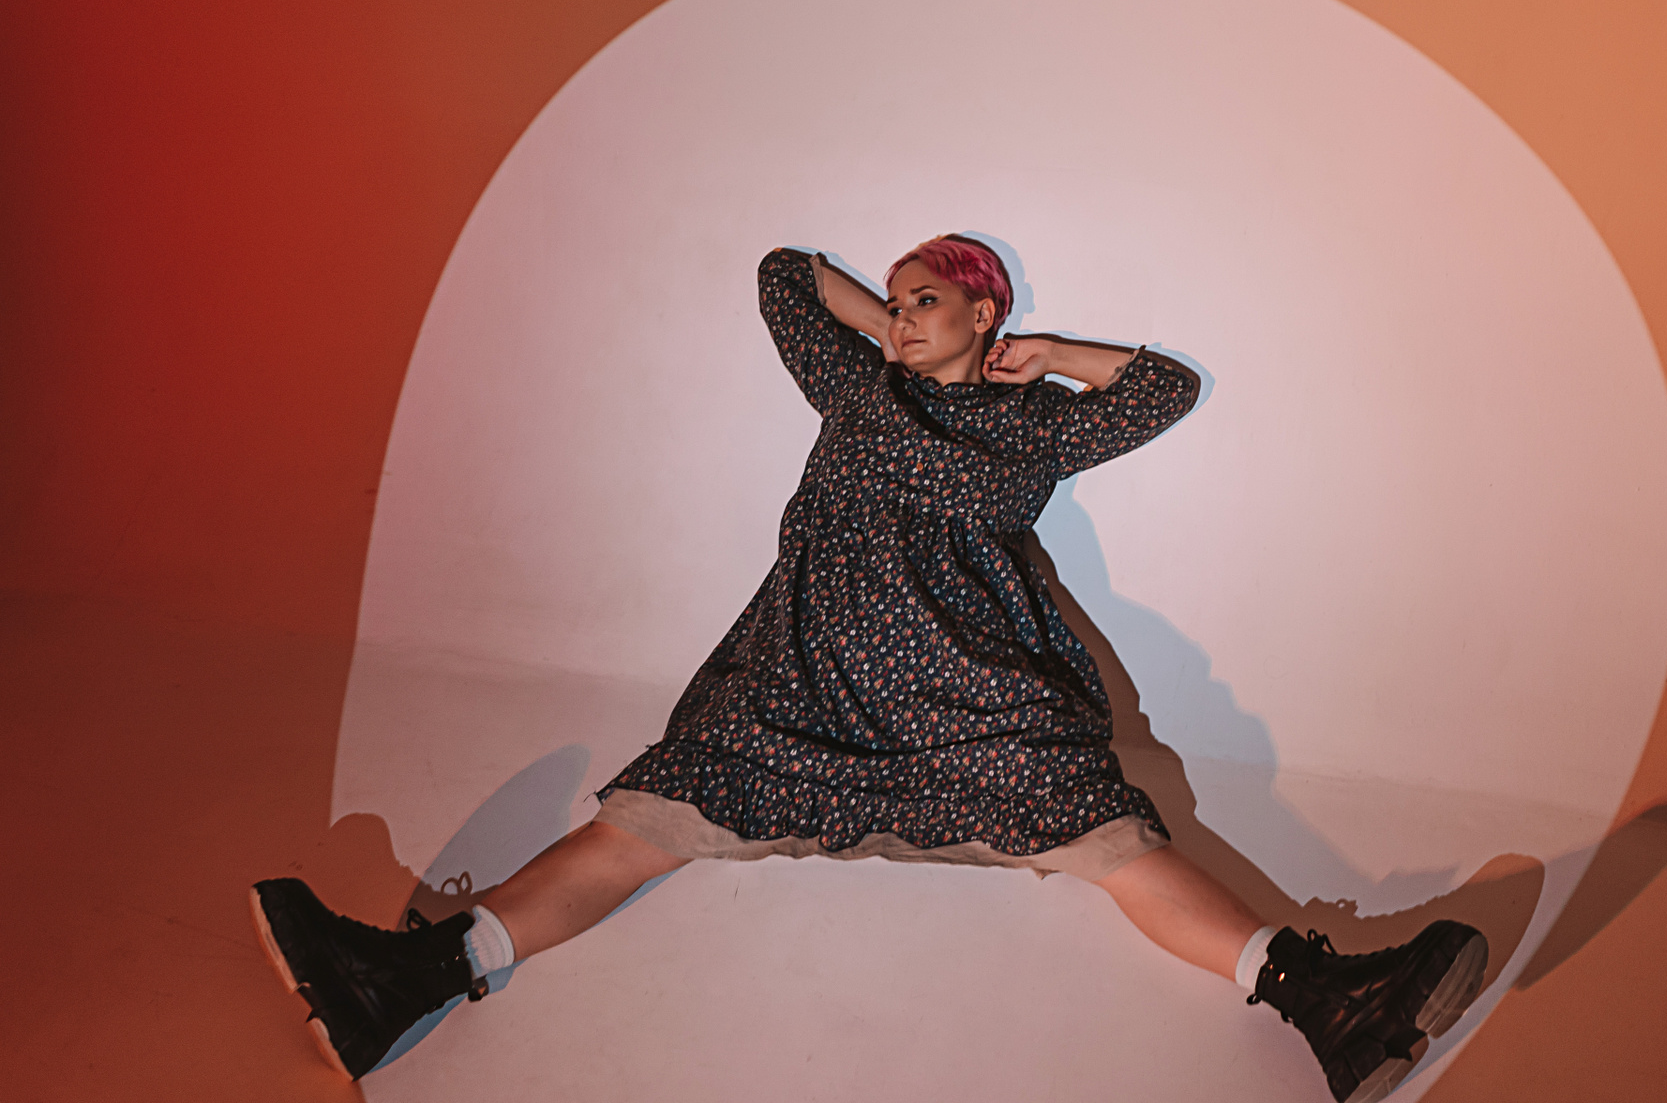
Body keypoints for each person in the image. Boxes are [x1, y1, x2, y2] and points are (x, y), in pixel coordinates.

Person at [251, 236, 1486, 1103]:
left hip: (969, 690)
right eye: (892, 298)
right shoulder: (854, 387)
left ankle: (1330, 1001)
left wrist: (1045, 347)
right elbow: (782, 274)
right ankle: (405, 974)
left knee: (1111, 839)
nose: (898, 315)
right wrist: (888, 319)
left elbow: (1162, 388)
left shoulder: (1033, 427)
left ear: (984, 313)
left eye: (926, 298)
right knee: (641, 821)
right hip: (802, 684)